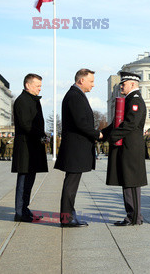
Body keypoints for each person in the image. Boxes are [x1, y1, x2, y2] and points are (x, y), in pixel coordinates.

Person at [55, 69, 101, 227]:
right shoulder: (75, 96)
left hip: (76, 147)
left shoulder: (76, 94)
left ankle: (69, 215)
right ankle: (67, 219)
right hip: (75, 148)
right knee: (71, 184)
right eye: (91, 81)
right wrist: (97, 135)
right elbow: (81, 123)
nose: (93, 85)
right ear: (81, 80)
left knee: (72, 183)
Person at [102, 72, 147, 226]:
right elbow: (117, 123)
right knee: (127, 181)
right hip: (126, 146)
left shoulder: (135, 100)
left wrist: (111, 136)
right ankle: (132, 215)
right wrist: (101, 134)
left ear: (133, 84)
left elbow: (130, 124)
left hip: (131, 147)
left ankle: (134, 217)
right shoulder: (127, 100)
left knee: (132, 182)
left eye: (124, 83)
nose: (121, 86)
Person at [11, 73, 48, 222]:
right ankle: (20, 212)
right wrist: (40, 135)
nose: (40, 88)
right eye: (37, 85)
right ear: (28, 85)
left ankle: (24, 209)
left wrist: (42, 135)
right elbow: (26, 125)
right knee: (23, 181)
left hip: (32, 147)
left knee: (29, 181)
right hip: (26, 147)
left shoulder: (32, 100)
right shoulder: (22, 101)